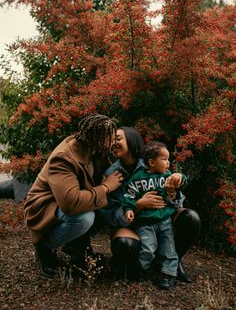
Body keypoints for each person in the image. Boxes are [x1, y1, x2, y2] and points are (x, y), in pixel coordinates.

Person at [24, 113, 124, 278]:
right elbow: (71, 203)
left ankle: (77, 246)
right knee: (85, 217)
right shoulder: (63, 157)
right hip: (44, 208)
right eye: (111, 138)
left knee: (103, 205)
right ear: (98, 138)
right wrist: (105, 187)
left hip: (67, 204)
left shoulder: (96, 150)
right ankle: (45, 247)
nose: (114, 142)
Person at [99, 127, 201, 283]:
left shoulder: (153, 161)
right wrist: (138, 205)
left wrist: (172, 192)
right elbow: (111, 216)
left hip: (160, 218)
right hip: (132, 224)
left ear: (132, 139)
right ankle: (140, 268)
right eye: (111, 140)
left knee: (191, 217)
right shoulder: (111, 174)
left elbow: (176, 200)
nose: (113, 142)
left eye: (118, 138)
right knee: (125, 245)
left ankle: (173, 262)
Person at [123, 141, 188, 289]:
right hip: (145, 223)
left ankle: (169, 275)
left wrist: (179, 177)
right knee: (148, 248)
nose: (168, 162)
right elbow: (129, 196)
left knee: (168, 248)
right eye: (164, 159)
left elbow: (182, 183)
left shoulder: (168, 176)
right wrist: (129, 209)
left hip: (165, 221)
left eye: (168, 159)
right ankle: (142, 271)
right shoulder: (138, 178)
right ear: (152, 162)